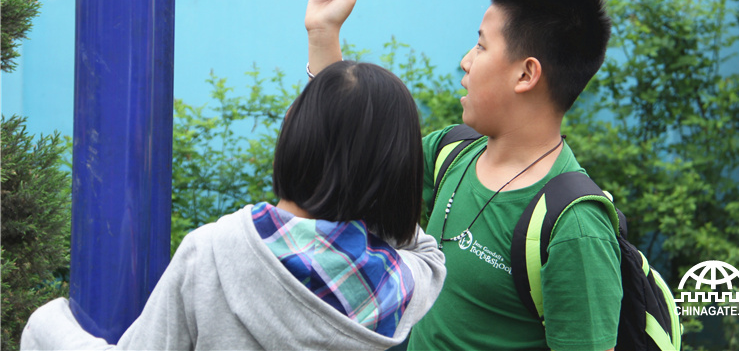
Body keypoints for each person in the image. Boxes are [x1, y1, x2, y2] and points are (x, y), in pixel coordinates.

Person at [21, 60, 446, 351]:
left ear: (296, 136)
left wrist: (47, 323)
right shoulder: (401, 283)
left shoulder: (214, 250)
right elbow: (417, 242)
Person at [305, 0, 621, 351]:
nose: (465, 61)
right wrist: (324, 33)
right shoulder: (451, 153)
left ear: (526, 73)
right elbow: (349, 157)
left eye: (482, 47)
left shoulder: (574, 226)